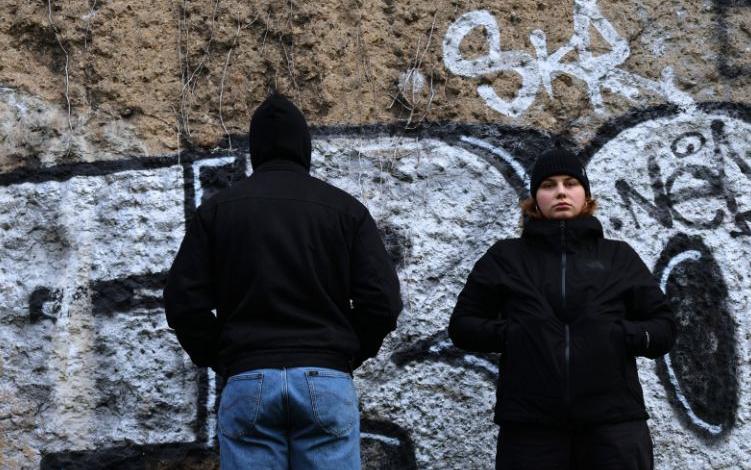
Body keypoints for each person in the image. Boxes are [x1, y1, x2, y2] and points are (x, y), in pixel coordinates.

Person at [164, 92, 402, 469]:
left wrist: (224, 357)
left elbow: (183, 303)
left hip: (248, 377)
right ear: (305, 147)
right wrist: (345, 355)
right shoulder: (345, 210)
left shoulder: (216, 212)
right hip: (325, 377)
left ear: (255, 149)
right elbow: (383, 302)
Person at [449, 148, 677, 469]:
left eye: (570, 183)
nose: (560, 192)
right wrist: (516, 334)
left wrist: (620, 334)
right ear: (534, 198)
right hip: (531, 428)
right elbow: (462, 326)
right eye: (549, 185)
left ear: (585, 195)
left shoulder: (618, 257)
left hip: (614, 426)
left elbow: (665, 328)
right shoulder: (505, 257)